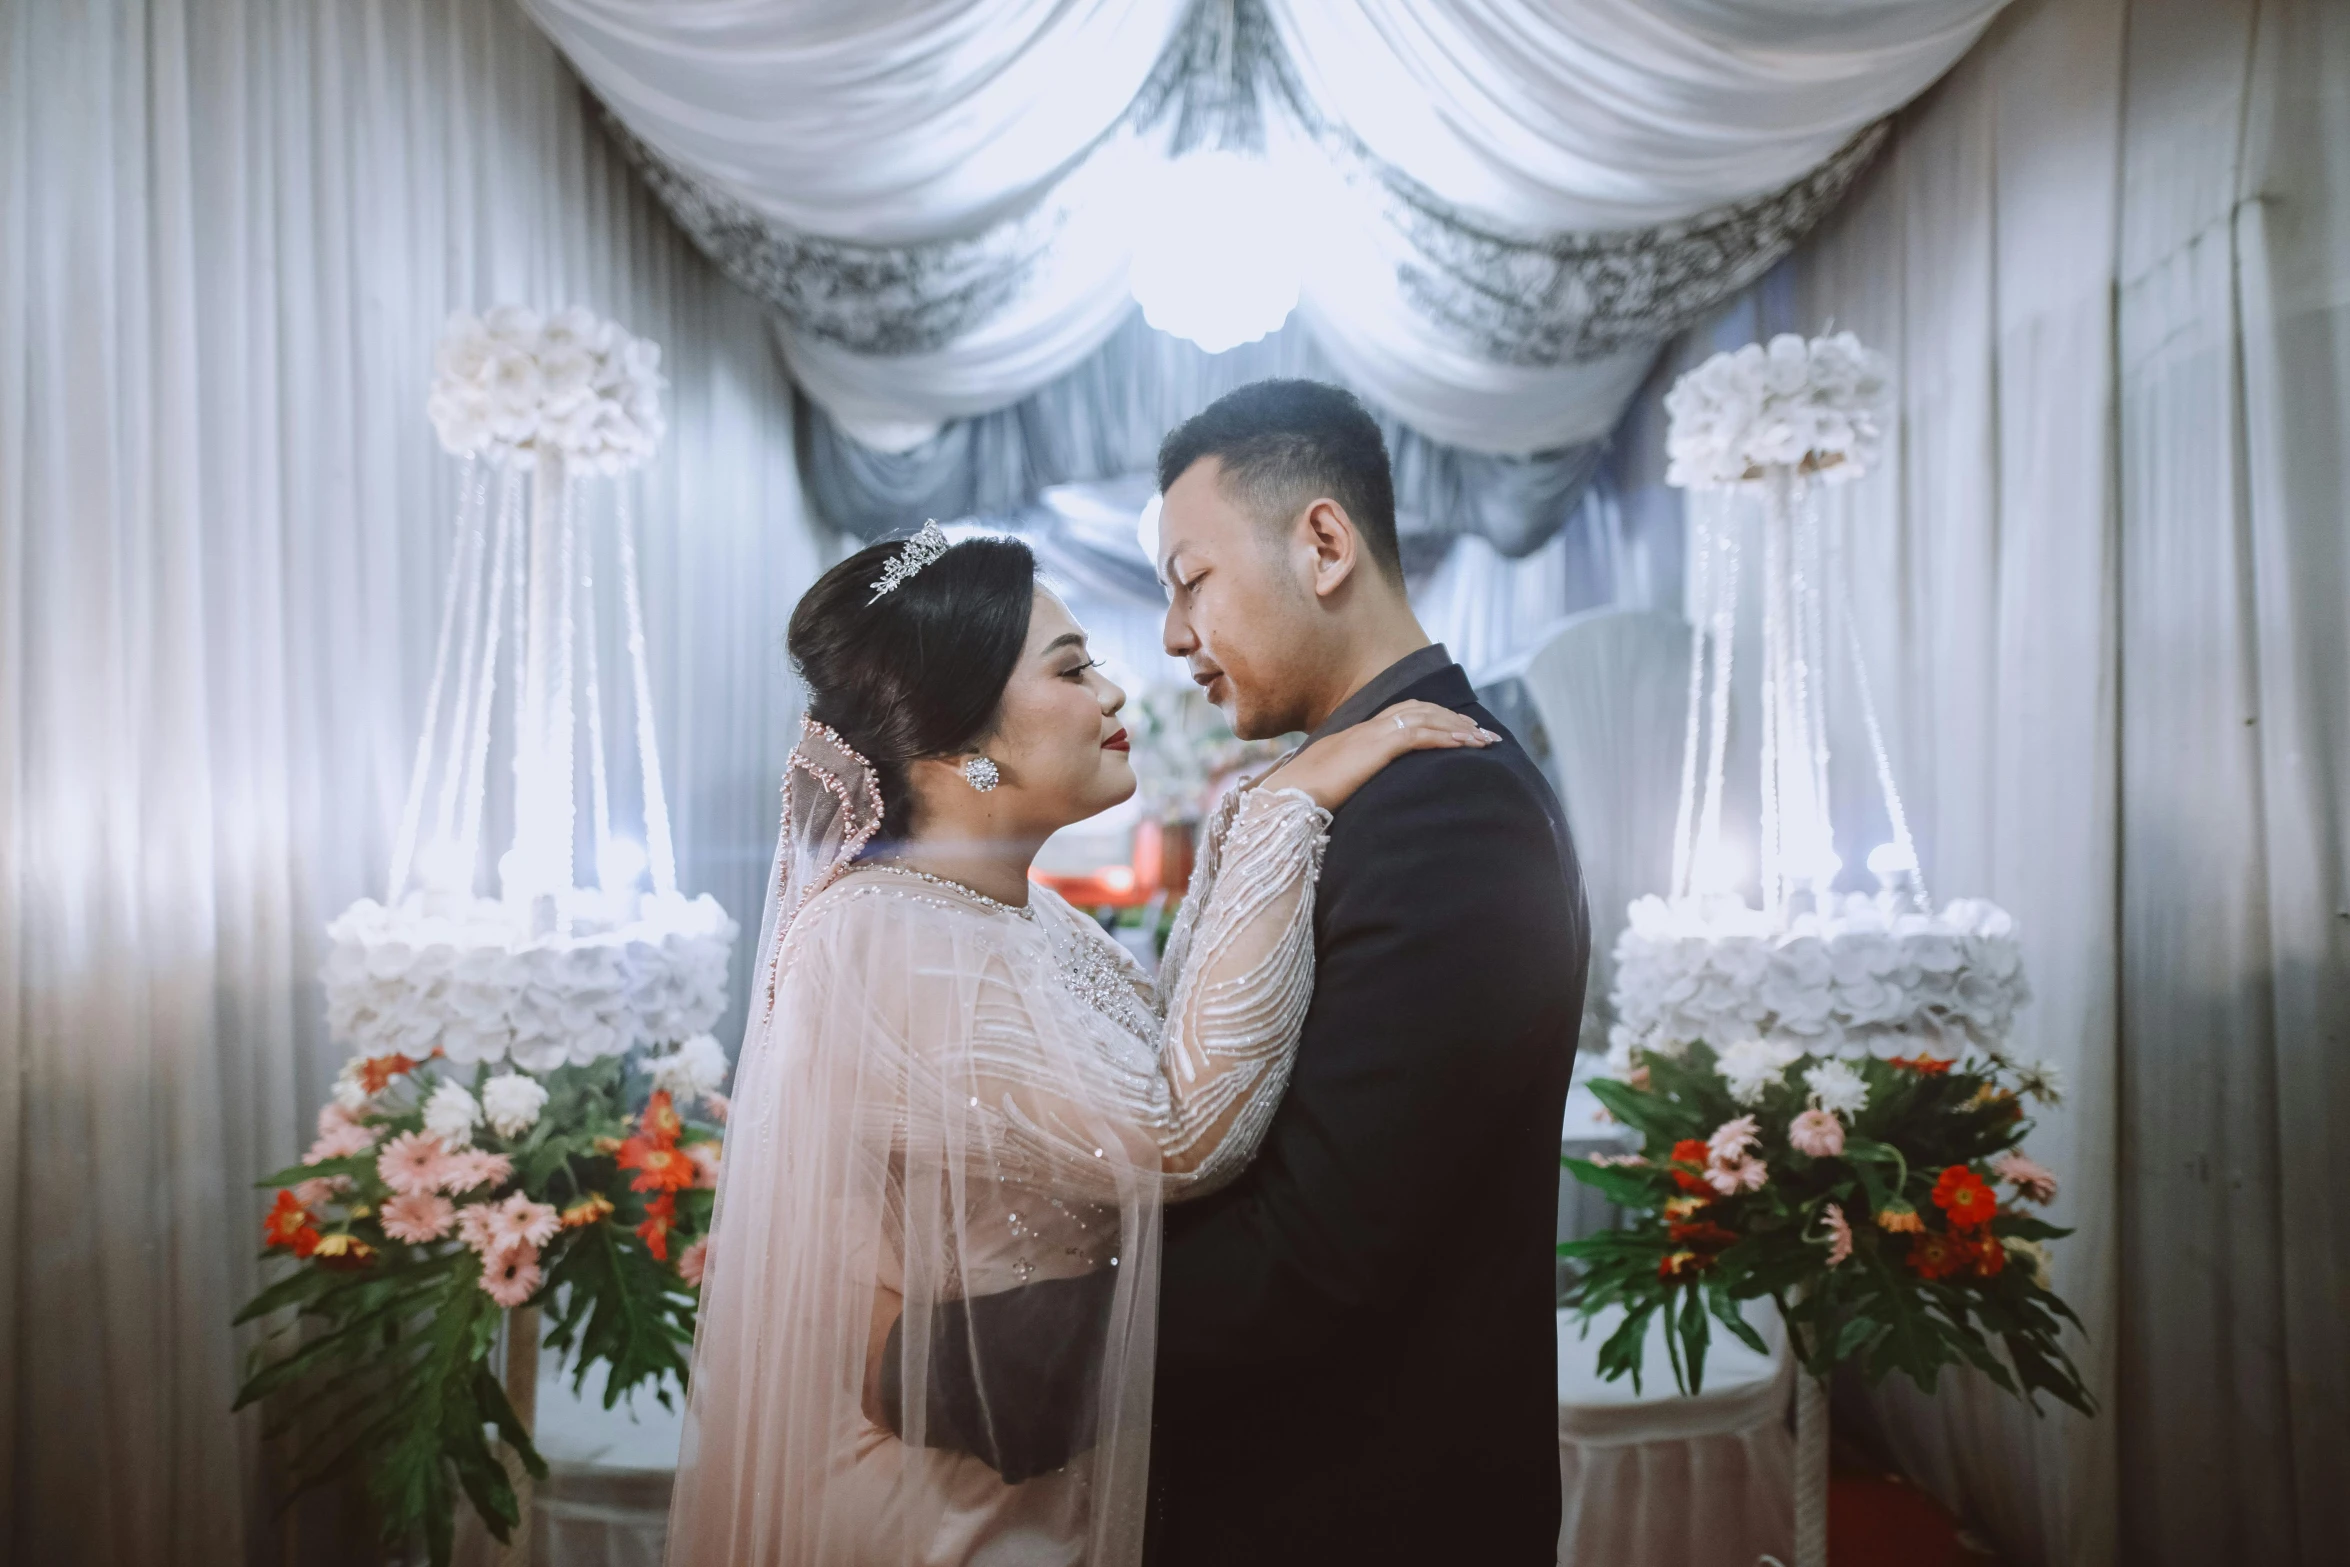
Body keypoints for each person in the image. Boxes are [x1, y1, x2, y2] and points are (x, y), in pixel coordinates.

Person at [662, 519, 1495, 1567]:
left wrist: (1247, 821)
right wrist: (1283, 808)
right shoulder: (882, 938)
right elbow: (1178, 1133)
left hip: (1053, 1462)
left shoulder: (1013, 910)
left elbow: (1165, 1038)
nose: (1112, 690)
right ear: (962, 745)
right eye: (1072, 667)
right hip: (948, 1507)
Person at [888, 380, 1590, 1564]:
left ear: (1323, 544)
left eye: (1187, 579)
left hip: (1365, 1504)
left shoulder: (1443, 803)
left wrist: (949, 1356)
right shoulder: (1343, 791)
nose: (1167, 638)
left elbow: (1314, 1256)